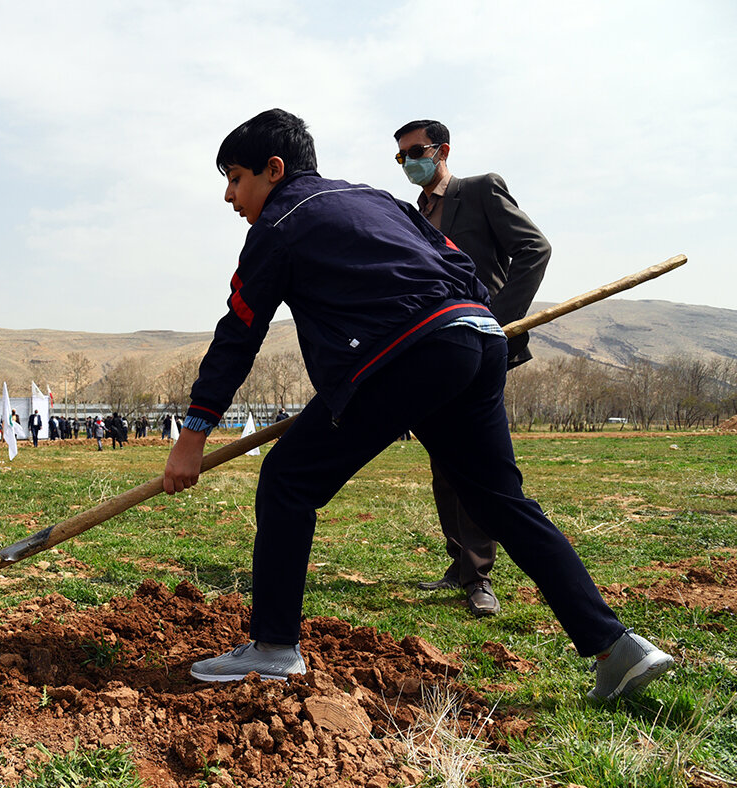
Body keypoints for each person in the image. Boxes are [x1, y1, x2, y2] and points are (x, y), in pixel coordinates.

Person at [162, 109, 672, 702]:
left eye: (235, 178)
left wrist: (194, 433)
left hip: (411, 353)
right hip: (476, 340)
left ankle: (273, 648)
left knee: (288, 480)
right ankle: (617, 646)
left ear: (273, 170)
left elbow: (240, 330)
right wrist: (475, 322)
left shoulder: (279, 224)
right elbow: (457, 262)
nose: (229, 195)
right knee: (500, 501)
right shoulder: (377, 200)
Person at [394, 119, 552, 619]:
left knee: (478, 461)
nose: (408, 162)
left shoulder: (480, 191)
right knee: (443, 459)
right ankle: (459, 563)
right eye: (400, 157)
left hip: (482, 344)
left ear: (442, 150)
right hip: (433, 351)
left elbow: (535, 248)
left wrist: (501, 320)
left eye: (415, 151)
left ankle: (479, 578)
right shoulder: (415, 212)